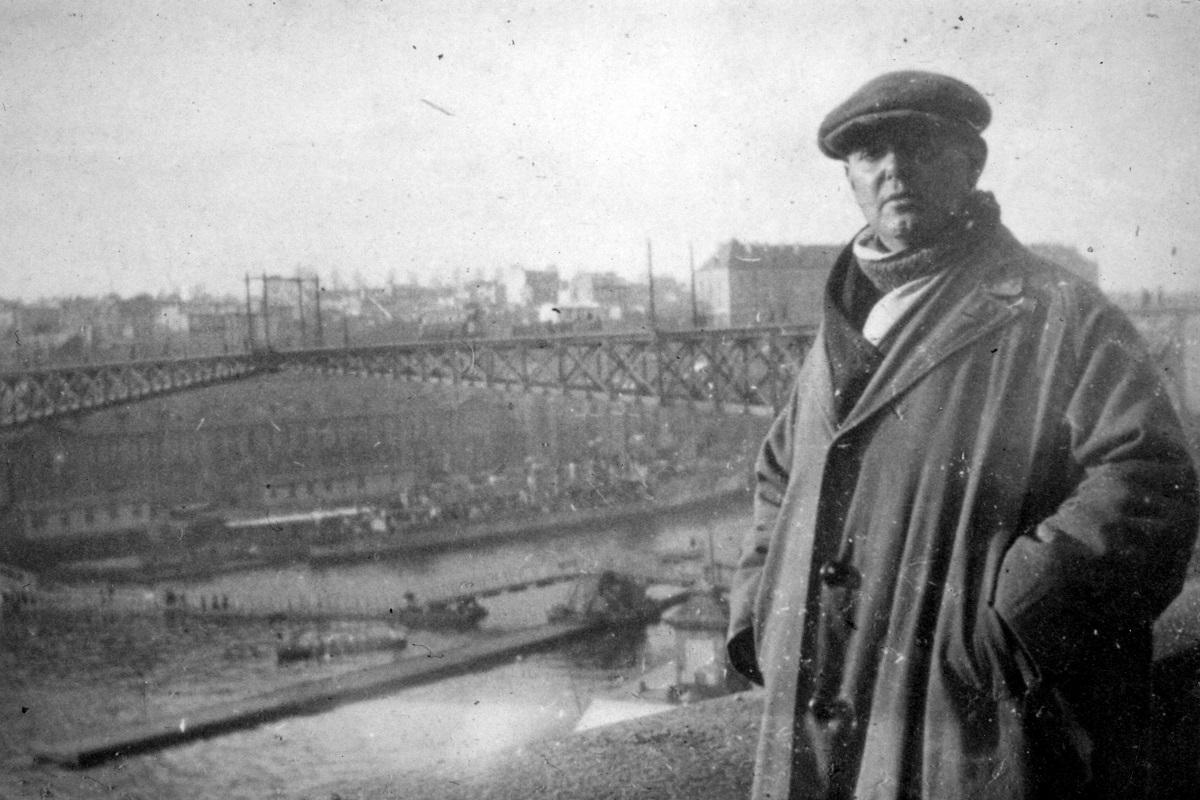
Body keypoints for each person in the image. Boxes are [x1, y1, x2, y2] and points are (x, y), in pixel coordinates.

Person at [726, 70, 1199, 800]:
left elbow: (1148, 482)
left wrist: (1007, 627)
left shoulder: (1058, 314)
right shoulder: (837, 334)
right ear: (850, 178)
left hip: (968, 731)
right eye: (869, 156)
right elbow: (777, 480)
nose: (893, 171)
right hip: (824, 727)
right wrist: (763, 614)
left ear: (971, 164)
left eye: (919, 147)